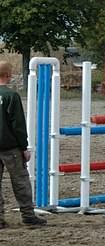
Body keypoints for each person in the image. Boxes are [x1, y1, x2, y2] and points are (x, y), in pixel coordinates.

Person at [0, 61, 47, 228]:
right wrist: (24, 147)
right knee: (20, 182)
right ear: (8, 75)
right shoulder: (11, 96)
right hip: (10, 148)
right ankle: (28, 215)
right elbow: (18, 125)